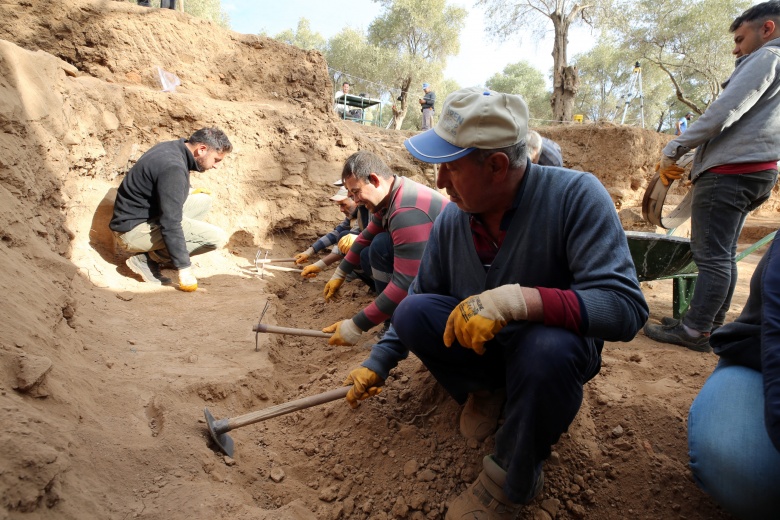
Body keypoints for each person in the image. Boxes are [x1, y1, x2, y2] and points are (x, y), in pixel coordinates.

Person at [341, 87, 648, 519]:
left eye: (450, 168)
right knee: (412, 312)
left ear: (498, 166)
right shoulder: (454, 217)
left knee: (548, 349)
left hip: (547, 356)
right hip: (486, 352)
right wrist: (379, 360)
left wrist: (520, 301)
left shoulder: (576, 196)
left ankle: (513, 475)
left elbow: (624, 308)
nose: (440, 182)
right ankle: (486, 390)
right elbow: (417, 294)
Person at [645, 1, 780, 352]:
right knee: (723, 255)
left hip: (729, 175)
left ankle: (694, 331)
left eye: (740, 38)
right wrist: (692, 155)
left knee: (711, 257)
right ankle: (707, 324)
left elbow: (724, 113)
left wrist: (673, 148)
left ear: (767, 29)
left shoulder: (767, 58)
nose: (736, 48)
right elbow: (742, 127)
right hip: (757, 172)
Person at [687, 235, 780, 519]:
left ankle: (697, 328)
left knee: (715, 252)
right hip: (761, 358)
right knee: (746, 475)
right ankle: (702, 326)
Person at [321, 150, 449, 344]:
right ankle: (393, 320)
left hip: (451, 283)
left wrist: (356, 325)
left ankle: (397, 329)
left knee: (380, 246)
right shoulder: (393, 194)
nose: (355, 201)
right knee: (370, 250)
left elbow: (404, 284)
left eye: (356, 192)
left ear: (374, 179)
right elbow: (364, 237)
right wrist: (340, 273)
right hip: (435, 264)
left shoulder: (406, 210)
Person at [110, 127, 232, 291]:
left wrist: (185, 190)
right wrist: (184, 267)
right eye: (216, 160)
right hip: (132, 232)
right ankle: (148, 259)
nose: (216, 166)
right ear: (202, 149)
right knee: (216, 238)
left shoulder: (174, 148)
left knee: (203, 201)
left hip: (143, 215)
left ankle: (163, 255)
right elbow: (171, 223)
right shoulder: (173, 168)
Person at [294, 186, 372, 288]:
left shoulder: (367, 213)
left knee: (346, 239)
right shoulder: (353, 217)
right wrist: (309, 251)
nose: (341, 210)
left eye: (344, 205)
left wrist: (319, 265)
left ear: (355, 200)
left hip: (375, 259)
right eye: (339, 206)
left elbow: (343, 242)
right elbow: (334, 234)